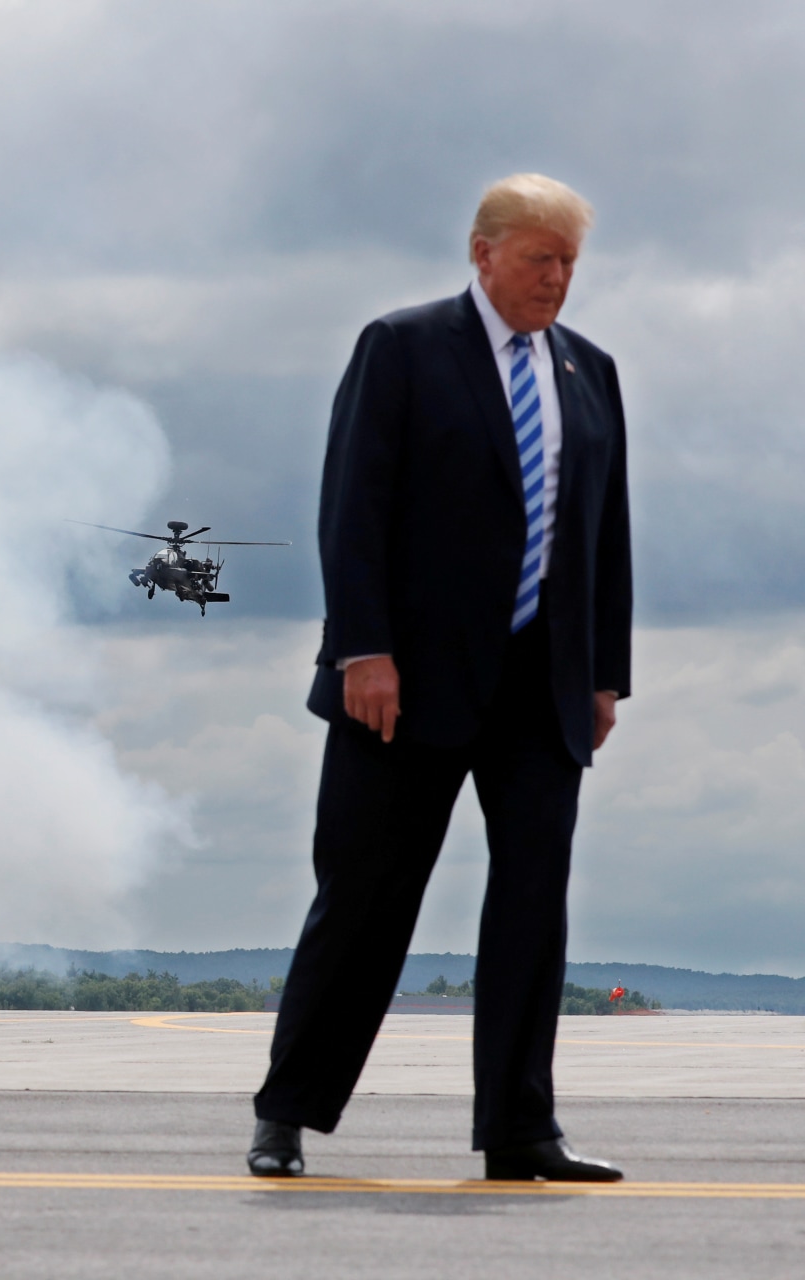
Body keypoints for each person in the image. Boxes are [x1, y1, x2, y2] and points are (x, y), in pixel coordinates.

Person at [250, 174, 631, 1183]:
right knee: (365, 897)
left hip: (541, 687)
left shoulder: (591, 370)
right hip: (405, 685)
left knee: (531, 907)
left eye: (569, 263)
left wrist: (604, 678)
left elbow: (606, 537)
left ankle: (520, 1128)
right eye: (539, 258)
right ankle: (287, 1112)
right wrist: (360, 649)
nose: (556, 278)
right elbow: (352, 506)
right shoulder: (402, 347)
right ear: (483, 251)